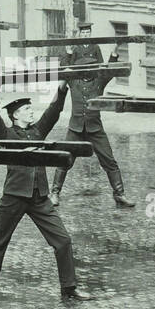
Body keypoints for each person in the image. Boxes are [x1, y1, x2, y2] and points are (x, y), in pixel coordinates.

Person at [0, 87, 91, 302]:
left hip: (40, 198)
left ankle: (69, 288)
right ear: (15, 114)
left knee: (63, 240)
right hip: (14, 195)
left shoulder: (38, 132)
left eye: (31, 108)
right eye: (27, 109)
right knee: (0, 241)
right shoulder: (6, 134)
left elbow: (53, 111)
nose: (31, 112)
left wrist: (62, 89)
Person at [51, 28, 133, 209]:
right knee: (63, 159)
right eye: (84, 67)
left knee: (109, 161)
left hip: (95, 128)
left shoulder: (99, 81)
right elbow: (63, 69)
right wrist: (69, 51)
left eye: (90, 66)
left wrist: (115, 50)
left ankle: (119, 194)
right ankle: (54, 193)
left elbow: (110, 69)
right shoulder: (73, 81)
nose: (87, 70)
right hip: (76, 128)